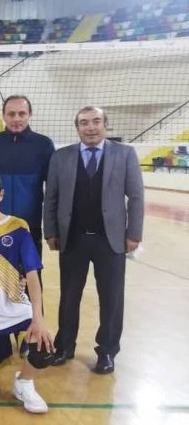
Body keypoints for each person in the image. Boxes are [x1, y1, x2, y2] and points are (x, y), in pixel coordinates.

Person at [44, 107, 144, 374]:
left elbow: (136, 196)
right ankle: (64, 346)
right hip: (73, 239)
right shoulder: (61, 156)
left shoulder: (125, 154)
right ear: (77, 127)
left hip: (110, 240)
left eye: (96, 121)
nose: (90, 127)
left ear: (105, 124)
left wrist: (134, 233)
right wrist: (51, 231)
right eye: (84, 123)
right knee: (69, 297)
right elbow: (51, 197)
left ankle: (107, 351)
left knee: (112, 298)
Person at [0, 171, 54, 414]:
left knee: (42, 344)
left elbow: (32, 274)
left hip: (14, 306)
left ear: (1, 195)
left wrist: (38, 317)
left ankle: (24, 383)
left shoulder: (17, 227)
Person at [0, 95, 55, 258]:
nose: (17, 119)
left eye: (22, 114)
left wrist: (53, 228)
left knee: (31, 271)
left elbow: (53, 189)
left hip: (30, 225)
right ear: (3, 116)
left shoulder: (43, 144)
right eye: (11, 114)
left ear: (30, 115)